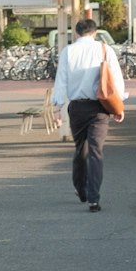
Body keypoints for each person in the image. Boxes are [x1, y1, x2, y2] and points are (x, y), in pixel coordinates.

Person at [50, 18, 128, 212]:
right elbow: (115, 79)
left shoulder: (68, 51)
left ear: (76, 33)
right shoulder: (104, 49)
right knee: (95, 152)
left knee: (81, 149)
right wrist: (119, 107)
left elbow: (61, 81)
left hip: (77, 107)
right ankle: (94, 199)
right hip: (100, 108)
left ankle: (80, 189)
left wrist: (57, 107)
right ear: (95, 32)